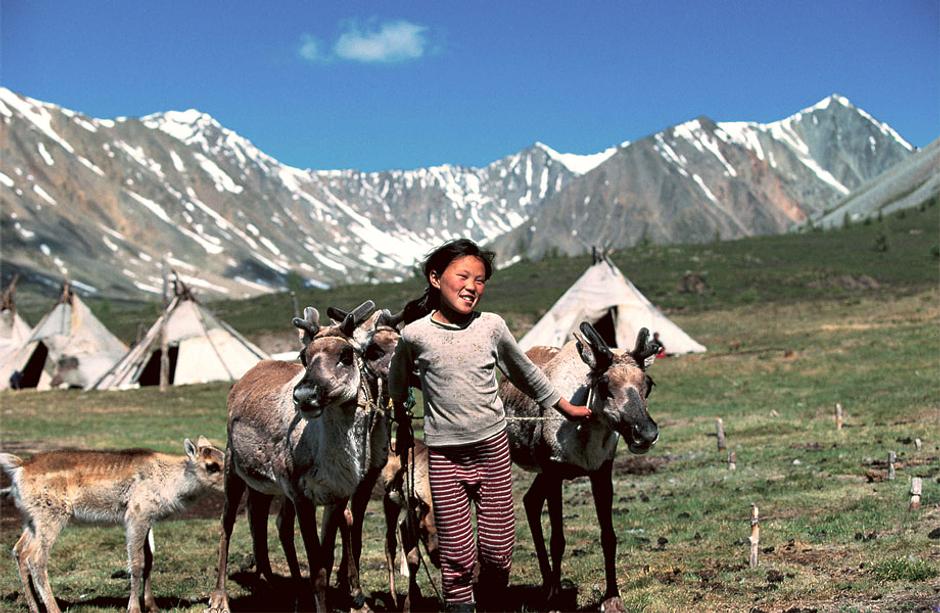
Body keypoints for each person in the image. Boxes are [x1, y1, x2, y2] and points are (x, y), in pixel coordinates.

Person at [388, 238, 591, 612]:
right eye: (463, 276)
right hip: (445, 458)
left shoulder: (492, 327)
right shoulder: (414, 335)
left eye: (480, 280)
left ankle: (493, 600)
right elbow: (397, 384)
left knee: (498, 553)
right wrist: (401, 420)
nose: (472, 287)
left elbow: (527, 373)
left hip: (493, 452)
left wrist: (566, 407)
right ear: (435, 278)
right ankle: (461, 605)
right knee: (457, 554)